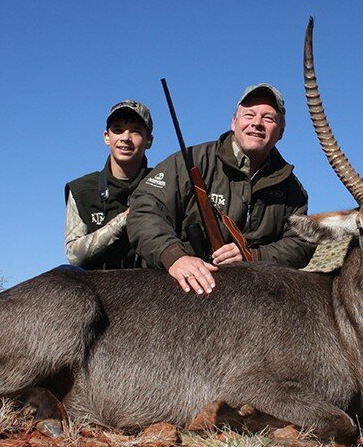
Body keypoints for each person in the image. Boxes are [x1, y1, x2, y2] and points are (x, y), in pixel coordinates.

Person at [128, 83, 315, 294]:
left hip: (253, 296)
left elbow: (302, 242)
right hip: (180, 290)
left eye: (268, 118)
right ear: (234, 122)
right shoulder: (189, 162)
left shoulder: (292, 188)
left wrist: (253, 256)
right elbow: (144, 209)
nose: (257, 123)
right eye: (249, 115)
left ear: (280, 131)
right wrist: (174, 257)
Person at [64, 100, 154, 270]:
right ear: (107, 137)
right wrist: (123, 220)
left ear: (149, 140)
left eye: (135, 131)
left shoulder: (164, 183)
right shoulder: (82, 189)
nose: (125, 138)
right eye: (118, 130)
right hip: (98, 288)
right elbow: (74, 256)